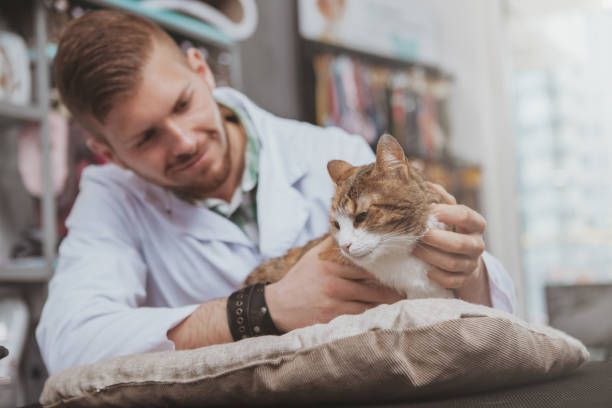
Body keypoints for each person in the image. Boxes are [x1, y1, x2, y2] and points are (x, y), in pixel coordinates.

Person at [36, 10, 516, 375]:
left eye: (182, 104)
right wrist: (258, 312)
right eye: (146, 138)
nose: (182, 141)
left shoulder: (328, 151)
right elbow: (69, 346)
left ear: (200, 69)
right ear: (108, 152)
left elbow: (490, 313)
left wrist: (466, 269)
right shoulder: (109, 199)